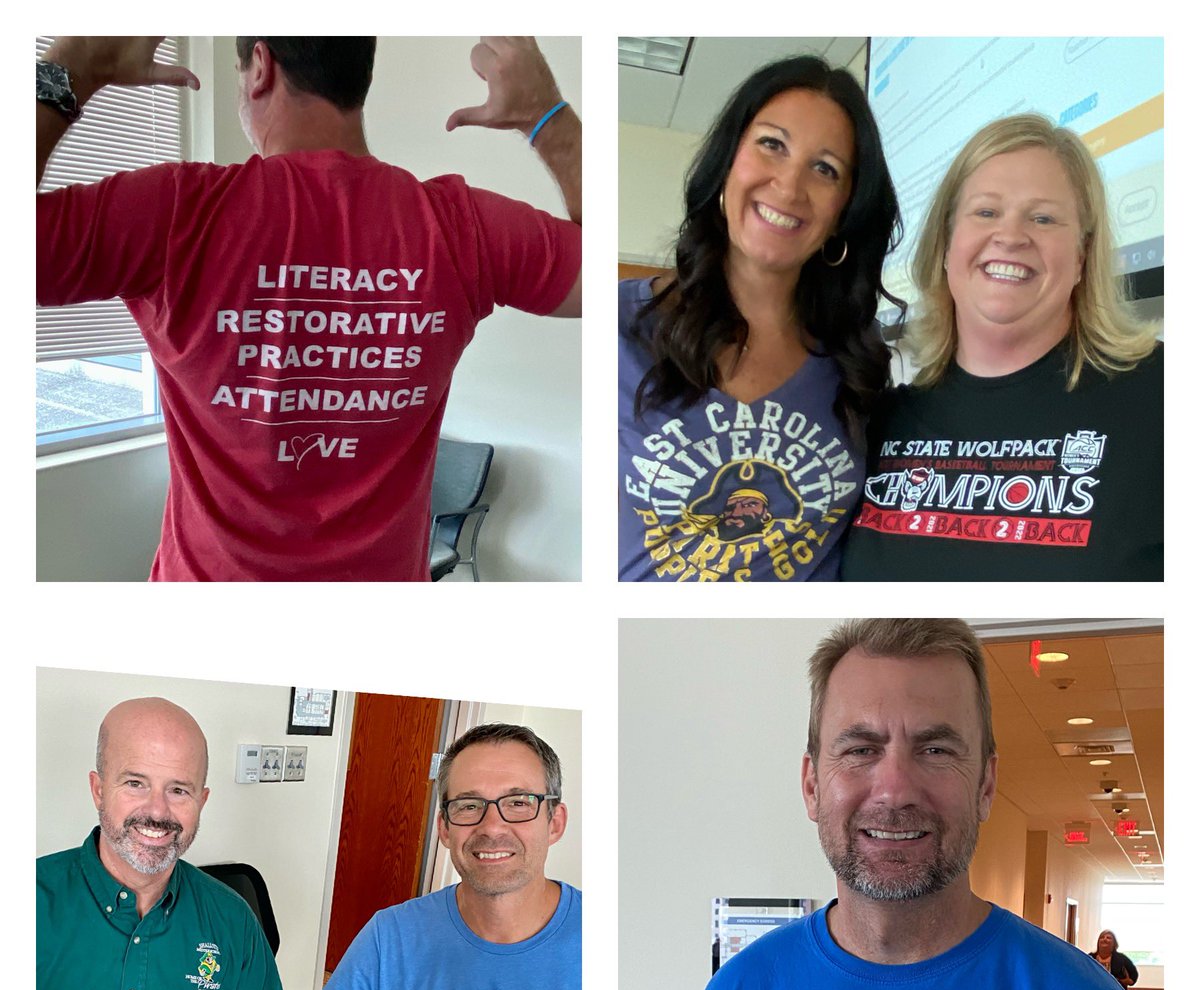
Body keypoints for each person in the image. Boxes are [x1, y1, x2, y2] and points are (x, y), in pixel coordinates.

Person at [36, 36, 581, 581]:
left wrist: (75, 65)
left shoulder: (177, 214)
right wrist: (547, 117)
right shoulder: (460, 227)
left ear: (260, 67)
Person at [666, 619, 1163, 990]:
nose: (895, 789)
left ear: (985, 785)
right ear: (812, 785)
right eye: (860, 749)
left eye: (936, 750)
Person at [617, 55, 904, 582]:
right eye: (772, 144)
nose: (790, 187)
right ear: (728, 161)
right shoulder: (620, 325)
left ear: (844, 210)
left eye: (825, 169)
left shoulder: (856, 361)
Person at [841, 114, 1162, 581]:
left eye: (1043, 218)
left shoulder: (1163, 394)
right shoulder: (876, 422)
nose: (1011, 236)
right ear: (945, 244)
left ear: (1082, 255)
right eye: (986, 212)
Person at [277, 723, 581, 990]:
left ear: (555, 822)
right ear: (444, 827)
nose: (492, 826)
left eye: (518, 803)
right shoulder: (393, 936)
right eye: (469, 805)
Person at [36, 698, 293, 990]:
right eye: (135, 783)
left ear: (202, 800)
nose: (157, 811)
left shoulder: (233, 920)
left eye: (178, 790)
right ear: (98, 789)